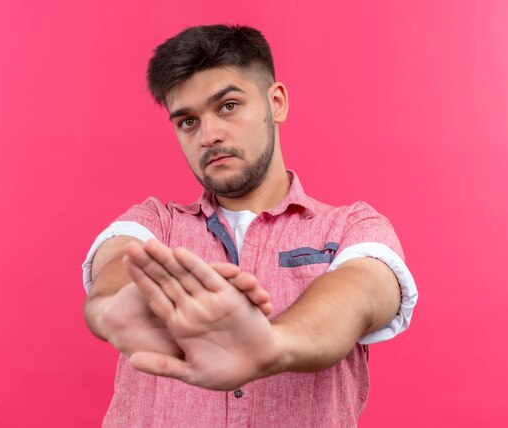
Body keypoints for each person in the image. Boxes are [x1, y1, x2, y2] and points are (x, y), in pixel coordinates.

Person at [82, 24, 418, 427]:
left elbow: (359, 295)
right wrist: (118, 308)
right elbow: (115, 272)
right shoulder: (155, 224)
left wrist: (270, 344)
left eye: (227, 106)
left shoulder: (353, 227)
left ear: (275, 102)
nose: (209, 135)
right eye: (187, 121)